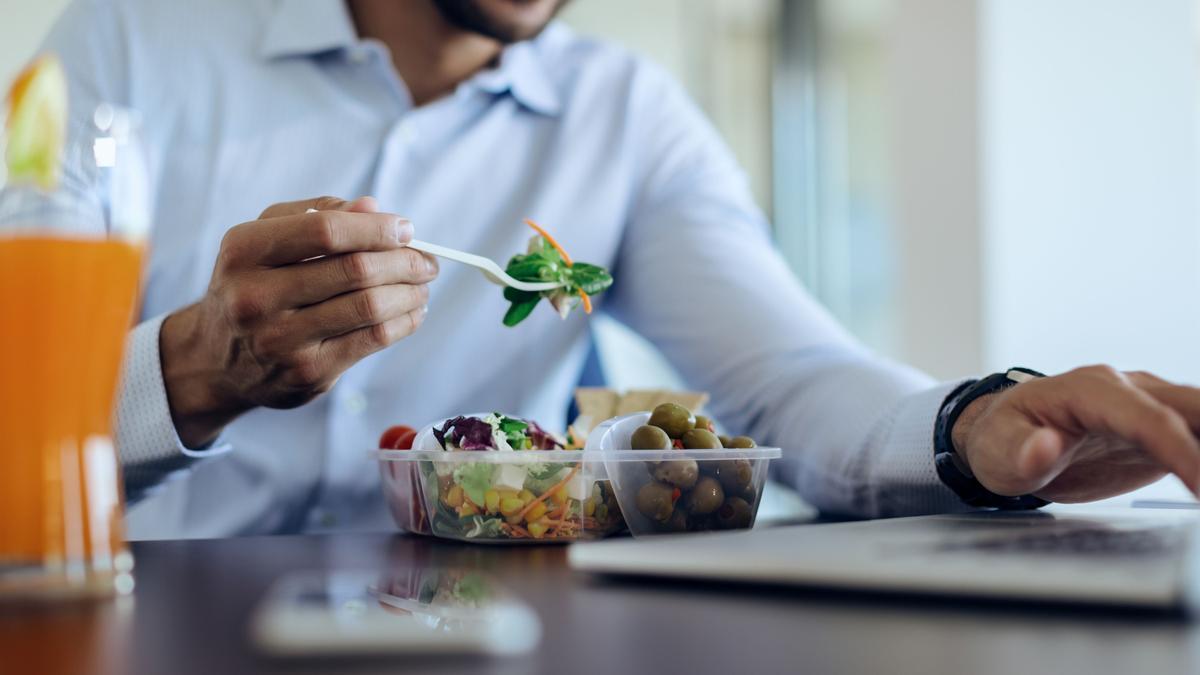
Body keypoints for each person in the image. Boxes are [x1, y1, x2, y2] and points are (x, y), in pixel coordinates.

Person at [37, 0, 1200, 538]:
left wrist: (973, 427)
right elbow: (14, 410)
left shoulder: (627, 116)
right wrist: (194, 371)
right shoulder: (124, 42)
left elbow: (789, 378)